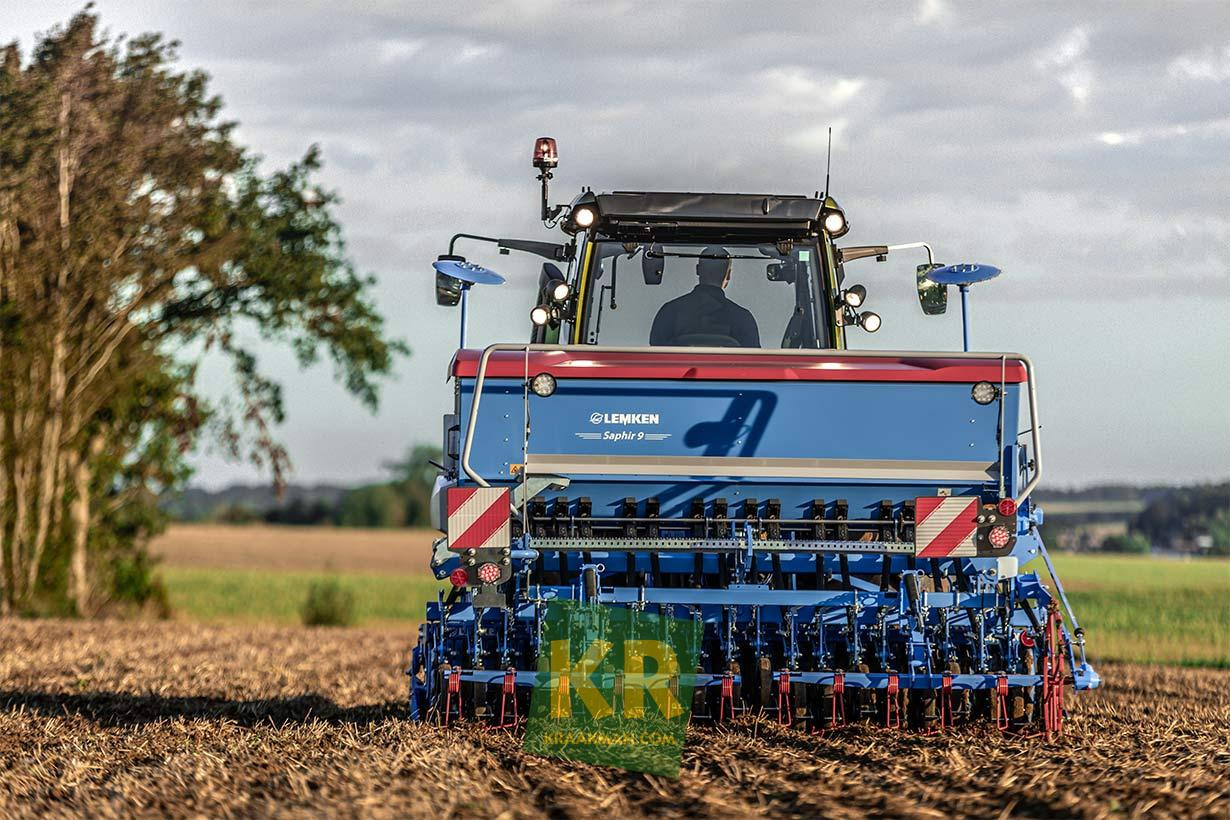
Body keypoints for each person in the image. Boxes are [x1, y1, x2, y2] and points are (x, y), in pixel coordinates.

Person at [649, 246, 761, 347]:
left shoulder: (670, 312)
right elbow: (754, 362)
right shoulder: (743, 318)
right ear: (729, 274)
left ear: (698, 269)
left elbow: (655, 358)